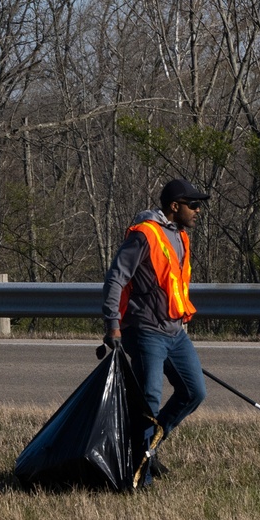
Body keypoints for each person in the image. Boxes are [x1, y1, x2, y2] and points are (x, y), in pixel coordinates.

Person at [101, 178, 208, 482]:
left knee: (194, 392)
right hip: (145, 330)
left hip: (175, 332)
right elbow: (116, 279)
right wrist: (112, 324)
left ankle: (149, 447)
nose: (197, 210)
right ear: (175, 207)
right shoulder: (145, 234)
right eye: (193, 205)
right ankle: (138, 474)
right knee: (149, 398)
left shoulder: (181, 236)